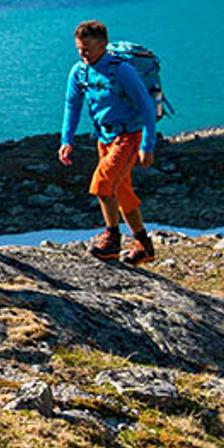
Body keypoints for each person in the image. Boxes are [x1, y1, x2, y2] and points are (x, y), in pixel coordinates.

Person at [59, 19, 158, 264]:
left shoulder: (121, 70)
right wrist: (66, 140)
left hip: (128, 136)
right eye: (79, 48)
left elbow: (147, 107)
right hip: (104, 137)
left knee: (102, 183)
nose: (83, 54)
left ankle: (111, 239)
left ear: (102, 44)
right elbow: (72, 106)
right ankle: (143, 245)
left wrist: (147, 145)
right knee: (122, 192)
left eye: (87, 49)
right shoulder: (79, 71)